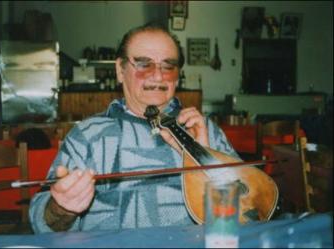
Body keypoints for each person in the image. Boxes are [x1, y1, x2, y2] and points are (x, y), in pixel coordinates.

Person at [29, 23, 240, 233]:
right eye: (144, 64)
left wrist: (205, 158)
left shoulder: (203, 130)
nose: (158, 76)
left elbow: (254, 208)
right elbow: (41, 222)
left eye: (168, 66)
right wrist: (61, 209)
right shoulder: (87, 136)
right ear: (120, 70)